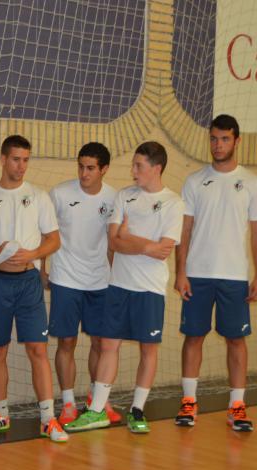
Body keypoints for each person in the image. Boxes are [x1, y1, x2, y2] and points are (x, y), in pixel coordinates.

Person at [66, 141, 183, 434]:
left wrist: (131, 239)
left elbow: (164, 250)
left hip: (151, 289)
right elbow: (115, 242)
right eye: (133, 165)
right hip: (119, 284)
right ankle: (96, 411)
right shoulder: (124, 196)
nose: (132, 171)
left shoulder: (173, 203)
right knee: (108, 345)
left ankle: (137, 409)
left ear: (156, 169)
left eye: (138, 166)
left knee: (149, 349)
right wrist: (146, 244)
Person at [174, 114, 257, 431]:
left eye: (225, 139)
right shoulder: (194, 181)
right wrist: (180, 271)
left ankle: (237, 406)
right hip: (197, 275)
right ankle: (189, 402)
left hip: (234, 276)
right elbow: (183, 230)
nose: (218, 144)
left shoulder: (252, 183)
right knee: (193, 337)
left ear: (236, 141)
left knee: (236, 340)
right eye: (214, 138)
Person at [0, 135, 67, 442]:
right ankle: (1, 413)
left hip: (29, 282)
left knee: (38, 350)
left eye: (26, 160)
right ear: (2, 159)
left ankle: (48, 419)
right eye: (16, 159)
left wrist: (34, 254)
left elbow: (53, 239)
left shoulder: (38, 196)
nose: (21, 166)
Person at [45, 142, 122, 426]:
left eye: (90, 168)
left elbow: (114, 243)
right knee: (66, 341)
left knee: (102, 343)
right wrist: (44, 269)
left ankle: (96, 400)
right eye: (81, 166)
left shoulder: (115, 198)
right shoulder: (60, 194)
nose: (84, 173)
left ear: (104, 169)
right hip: (65, 278)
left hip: (100, 281)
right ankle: (67, 403)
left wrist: (115, 278)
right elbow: (46, 234)